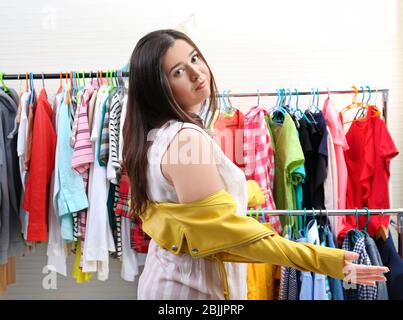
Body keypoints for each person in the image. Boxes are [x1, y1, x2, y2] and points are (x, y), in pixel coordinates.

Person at [123, 29, 389, 300]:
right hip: (189, 291)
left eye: (194, 58)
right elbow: (225, 236)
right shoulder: (186, 139)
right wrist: (324, 260)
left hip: (171, 281)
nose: (196, 73)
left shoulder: (154, 136)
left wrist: (248, 190)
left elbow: (179, 211)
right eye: (178, 72)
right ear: (157, 89)